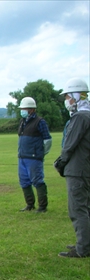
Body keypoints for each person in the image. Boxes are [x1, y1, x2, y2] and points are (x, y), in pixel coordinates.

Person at [56, 78, 90, 258]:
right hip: (86, 168)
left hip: (77, 169)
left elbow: (69, 145)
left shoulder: (79, 118)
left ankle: (83, 248)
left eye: (68, 96)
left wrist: (61, 162)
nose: (66, 100)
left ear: (76, 96)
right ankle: (85, 243)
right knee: (86, 207)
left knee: (78, 209)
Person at [17, 97, 52, 213]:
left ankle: (42, 206)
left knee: (37, 180)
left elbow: (47, 140)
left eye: (24, 108)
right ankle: (29, 204)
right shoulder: (23, 121)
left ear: (31, 109)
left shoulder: (40, 122)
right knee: (24, 181)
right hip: (22, 156)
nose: (22, 110)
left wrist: (40, 153)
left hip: (34, 157)